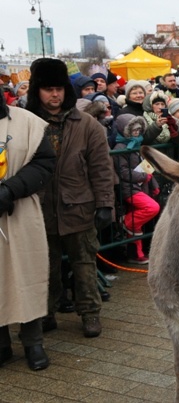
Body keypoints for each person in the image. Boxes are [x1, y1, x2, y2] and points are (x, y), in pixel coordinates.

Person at [25, 58, 115, 338]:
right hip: (38, 208)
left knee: (84, 263)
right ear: (36, 91)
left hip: (79, 205)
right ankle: (45, 313)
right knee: (44, 265)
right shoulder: (26, 122)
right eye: (48, 89)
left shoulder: (86, 124)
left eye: (60, 88)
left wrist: (105, 204)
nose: (55, 95)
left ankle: (90, 312)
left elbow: (102, 168)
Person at [0, 86, 56, 371]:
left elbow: (44, 163)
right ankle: (1, 345)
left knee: (26, 274)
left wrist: (10, 190)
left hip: (19, 211)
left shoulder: (29, 123)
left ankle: (33, 342)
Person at [112, 113, 160, 263]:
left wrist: (154, 184)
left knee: (136, 222)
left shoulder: (137, 144)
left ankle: (136, 254)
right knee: (151, 208)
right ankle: (124, 222)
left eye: (139, 129)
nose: (137, 132)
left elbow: (146, 168)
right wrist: (143, 178)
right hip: (129, 188)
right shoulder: (120, 147)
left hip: (140, 186)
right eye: (133, 129)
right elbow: (124, 172)